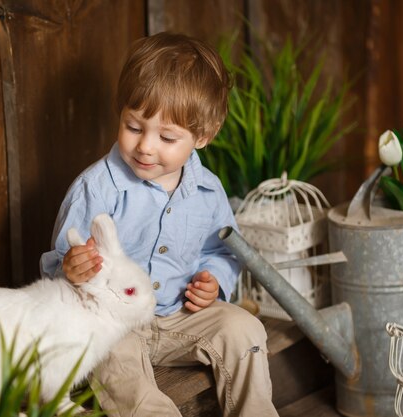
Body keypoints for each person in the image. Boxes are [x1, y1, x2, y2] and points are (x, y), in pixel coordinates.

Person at [40, 32, 278, 417]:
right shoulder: (96, 189)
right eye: (134, 127)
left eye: (167, 137)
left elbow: (221, 252)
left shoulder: (207, 191)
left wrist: (212, 280)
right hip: (114, 322)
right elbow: (60, 266)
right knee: (114, 353)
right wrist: (72, 269)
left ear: (203, 136)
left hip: (180, 315)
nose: (146, 146)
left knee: (244, 330)